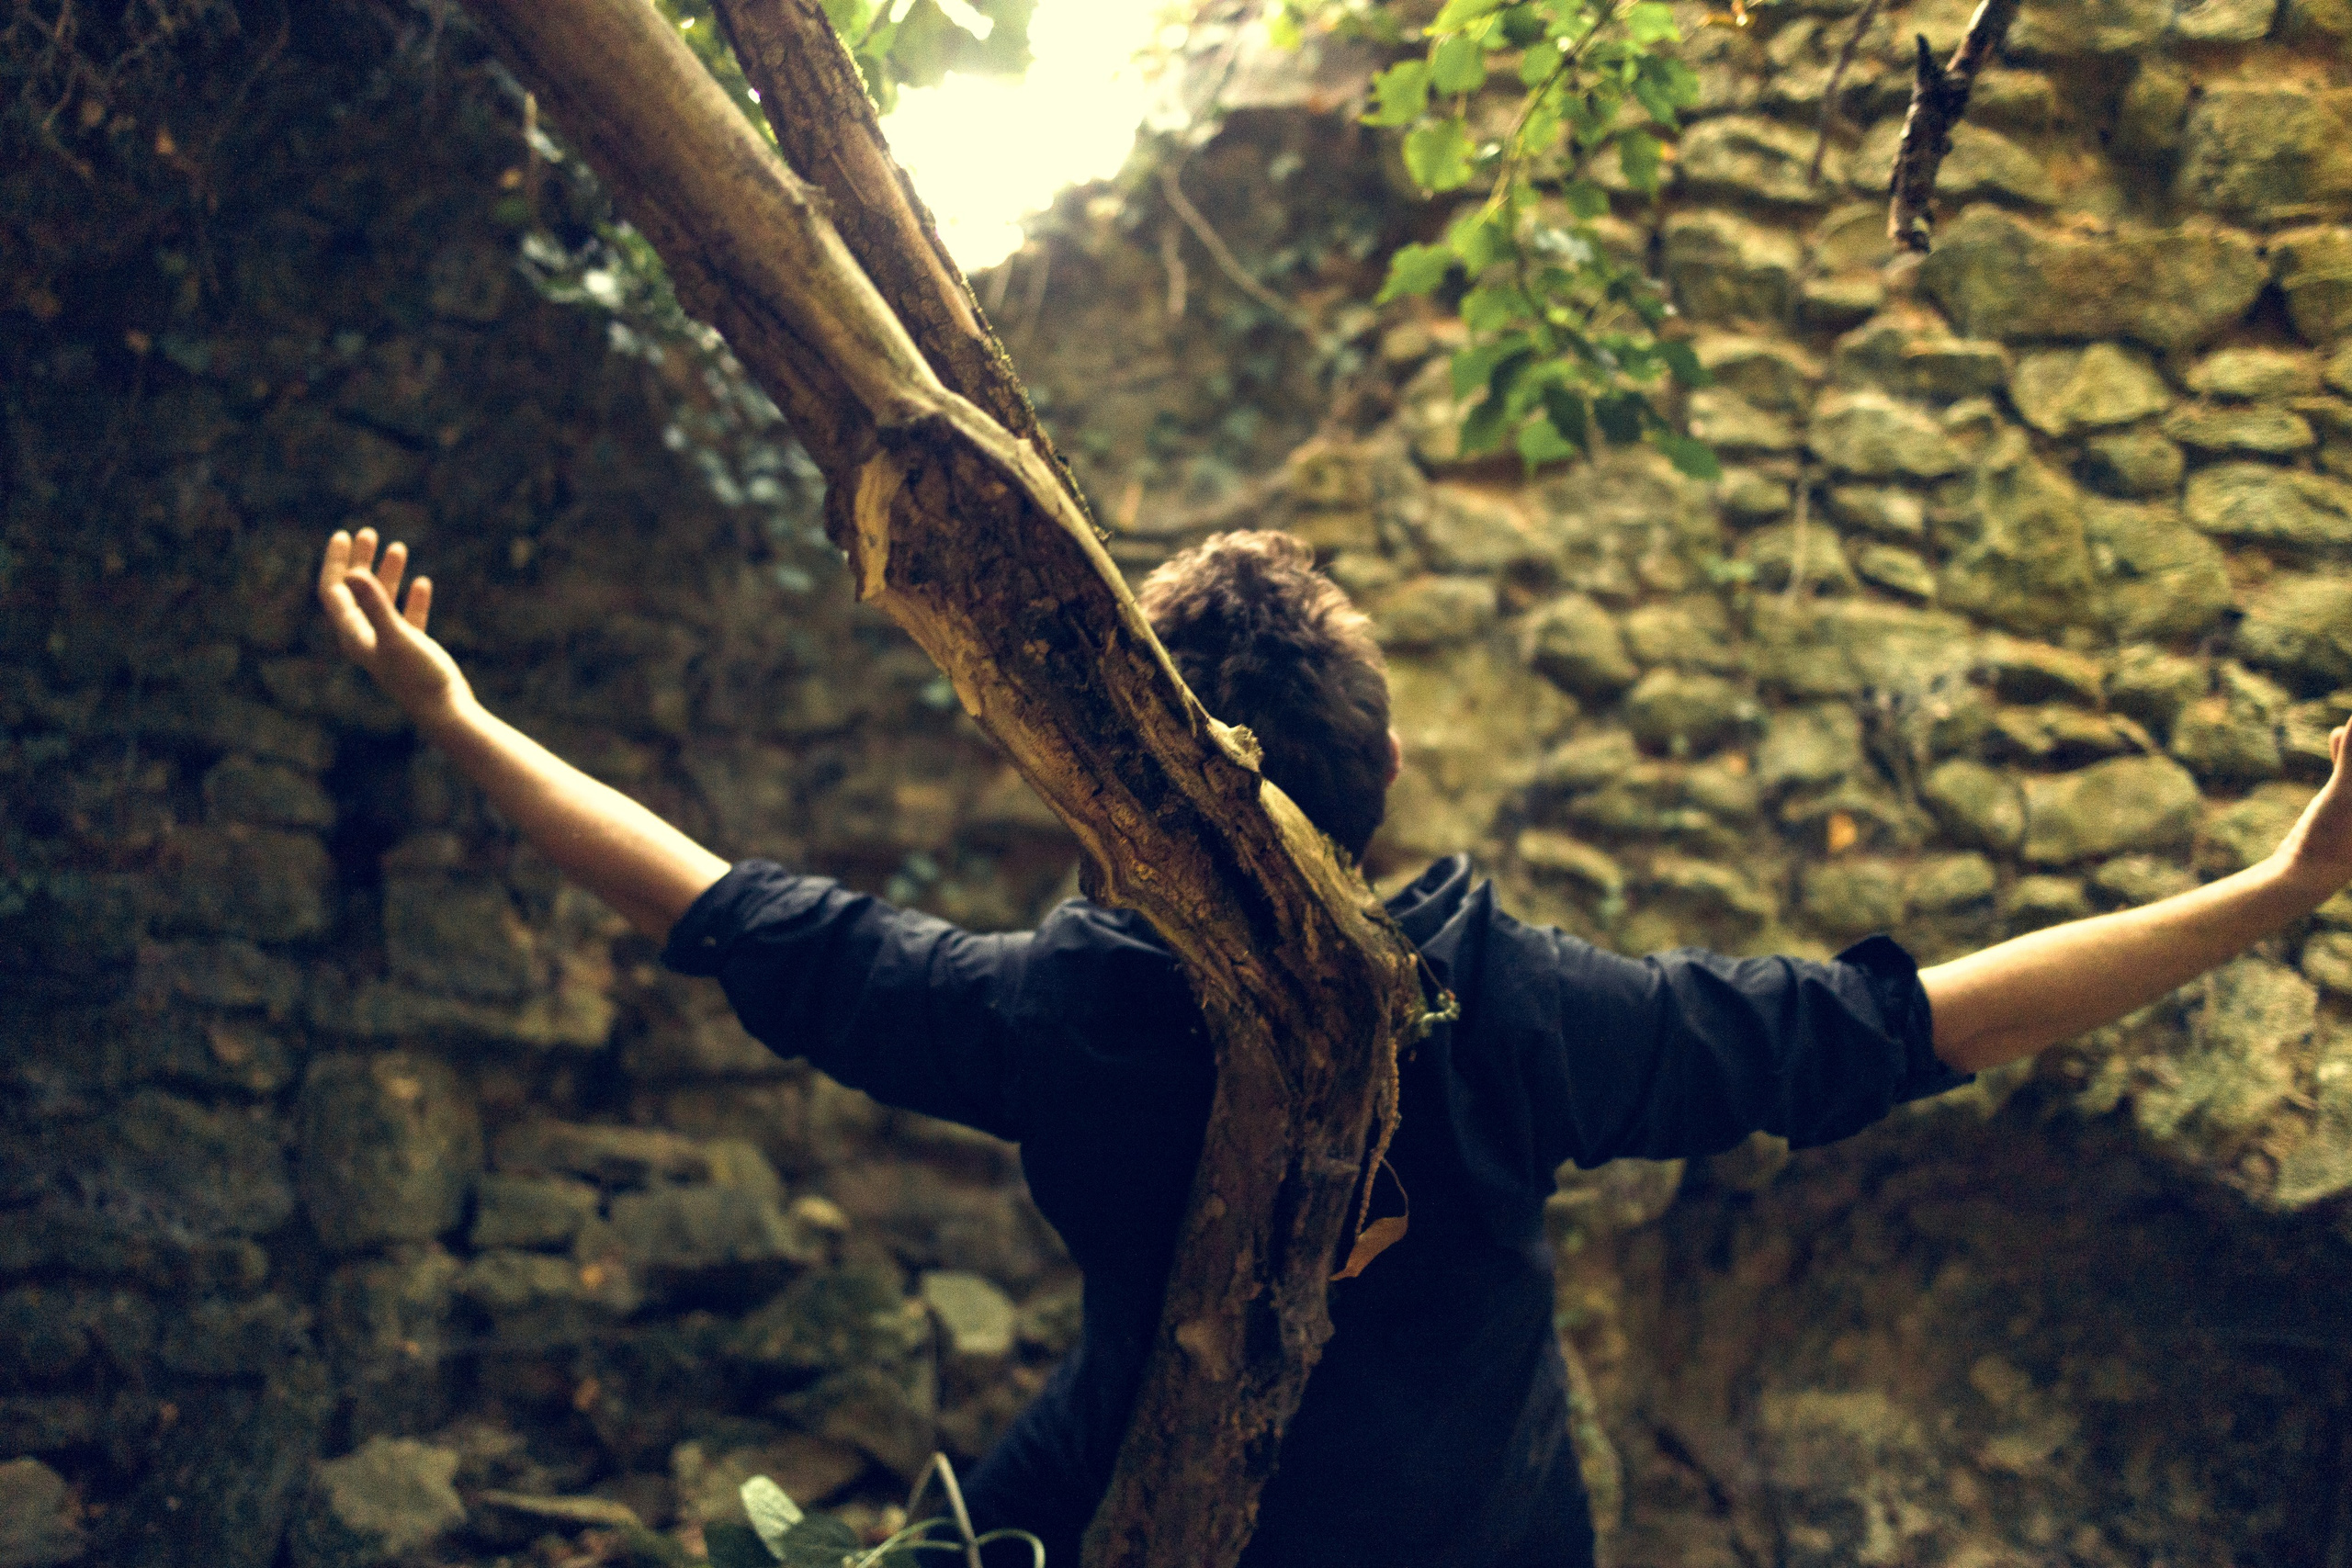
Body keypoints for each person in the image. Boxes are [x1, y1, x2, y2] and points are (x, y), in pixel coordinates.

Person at [319, 523, 2352, 1566]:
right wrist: (2264, 892)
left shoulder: (1066, 1011)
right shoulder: (1507, 1008)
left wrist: (457, 713)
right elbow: (1900, 1024)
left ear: (1123, 797)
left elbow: (711, 906)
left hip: (1152, 1492)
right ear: (1363, 782)